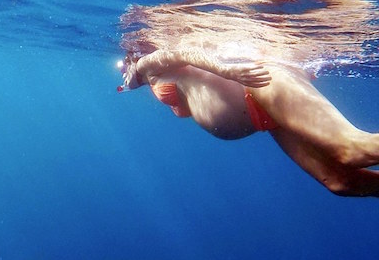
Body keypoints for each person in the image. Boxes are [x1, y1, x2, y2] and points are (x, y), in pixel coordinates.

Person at [120, 48, 379, 197]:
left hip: (263, 85)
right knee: (339, 182)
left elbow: (184, 52)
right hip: (265, 118)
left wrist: (226, 70)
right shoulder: (149, 77)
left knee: (352, 150)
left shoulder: (147, 64)